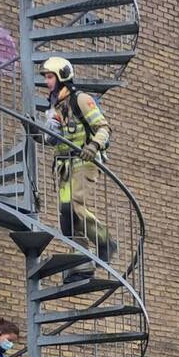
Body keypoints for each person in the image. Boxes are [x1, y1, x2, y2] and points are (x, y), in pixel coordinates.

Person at [41, 56, 117, 283]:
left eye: (50, 77)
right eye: (46, 77)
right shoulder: (55, 107)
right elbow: (51, 140)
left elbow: (103, 127)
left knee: (76, 206)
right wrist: (40, 130)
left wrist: (93, 146)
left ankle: (105, 241)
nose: (47, 82)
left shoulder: (80, 99)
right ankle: (81, 264)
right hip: (64, 168)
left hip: (84, 162)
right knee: (67, 218)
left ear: (62, 76)